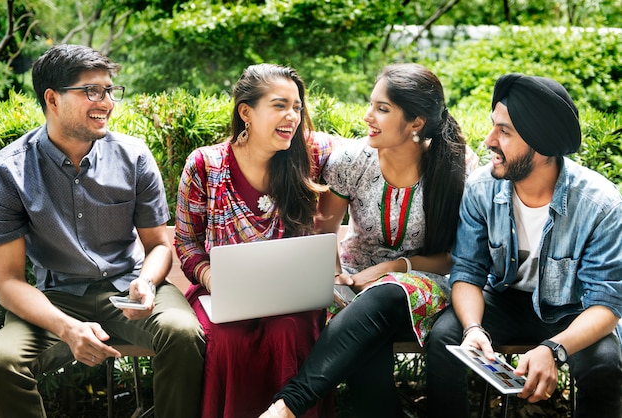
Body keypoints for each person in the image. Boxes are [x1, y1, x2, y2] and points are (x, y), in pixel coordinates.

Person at [0, 44, 206, 418]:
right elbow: (8, 281)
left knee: (183, 333)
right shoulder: (9, 171)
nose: (107, 102)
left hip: (129, 287)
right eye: (91, 90)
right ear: (52, 99)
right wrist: (66, 328)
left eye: (110, 90)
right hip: (55, 297)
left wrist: (148, 280)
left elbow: (159, 244)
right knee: (2, 362)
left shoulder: (134, 156)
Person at [259, 63, 478, 418]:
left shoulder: (457, 166)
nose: (367, 116)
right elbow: (325, 229)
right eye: (371, 103)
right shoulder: (351, 160)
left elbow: (456, 258)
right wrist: (334, 276)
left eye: (382, 108)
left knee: (388, 292)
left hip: (424, 284)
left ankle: (288, 405)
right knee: (365, 338)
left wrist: (392, 268)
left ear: (417, 123)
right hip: (354, 282)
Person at [425, 74, 622, 418]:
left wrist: (554, 349)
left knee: (604, 364)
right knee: (446, 337)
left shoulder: (599, 204)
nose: (489, 141)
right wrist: (473, 329)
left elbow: (607, 303)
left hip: (574, 308)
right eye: (493, 127)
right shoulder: (481, 188)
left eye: (505, 132)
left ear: (542, 144)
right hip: (504, 298)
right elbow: (468, 272)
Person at [174, 63, 338, 418]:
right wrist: (212, 278)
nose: (292, 117)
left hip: (293, 298)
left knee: (289, 332)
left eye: (297, 107)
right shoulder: (205, 165)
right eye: (280, 105)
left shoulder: (310, 154)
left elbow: (371, 151)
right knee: (228, 340)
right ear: (245, 112)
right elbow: (187, 244)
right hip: (223, 296)